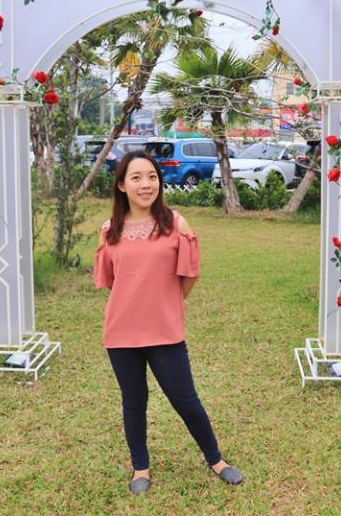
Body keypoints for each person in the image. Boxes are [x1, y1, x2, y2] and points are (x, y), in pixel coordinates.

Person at [93, 150, 243, 495]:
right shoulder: (109, 230)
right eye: (136, 178)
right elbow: (114, 281)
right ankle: (140, 467)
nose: (145, 184)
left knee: (185, 399)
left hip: (164, 331)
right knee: (134, 401)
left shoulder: (175, 223)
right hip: (121, 333)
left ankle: (216, 460)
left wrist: (165, 305)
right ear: (121, 185)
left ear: (160, 183)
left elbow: (188, 275)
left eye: (152, 177)